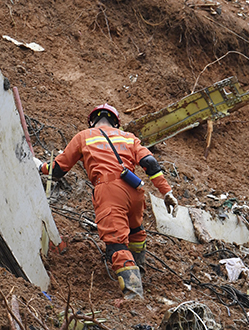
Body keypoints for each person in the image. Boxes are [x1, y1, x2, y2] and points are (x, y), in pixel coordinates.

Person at [39, 104, 178, 299]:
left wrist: (40, 167)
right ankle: (139, 271)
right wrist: (166, 192)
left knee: (116, 243)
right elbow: (150, 163)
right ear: (116, 122)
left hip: (109, 190)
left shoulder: (84, 136)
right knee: (135, 232)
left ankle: (134, 295)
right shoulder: (129, 137)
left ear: (93, 120)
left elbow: (59, 169)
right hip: (135, 189)